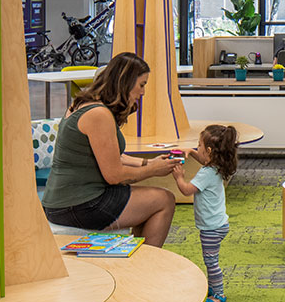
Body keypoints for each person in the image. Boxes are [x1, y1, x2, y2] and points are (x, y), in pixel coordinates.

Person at [41, 52, 181, 247]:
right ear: (125, 82)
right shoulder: (99, 114)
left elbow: (113, 155)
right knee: (164, 200)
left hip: (63, 201)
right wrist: (153, 170)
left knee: (149, 203)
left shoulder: (84, 104)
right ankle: (148, 267)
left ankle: (138, 261)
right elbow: (114, 175)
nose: (143, 92)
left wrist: (147, 162)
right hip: (77, 206)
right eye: (141, 85)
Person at [172, 125, 239, 302]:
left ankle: (218, 294)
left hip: (211, 228)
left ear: (208, 151)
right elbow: (204, 159)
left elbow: (186, 191)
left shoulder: (205, 174)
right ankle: (214, 287)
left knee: (211, 262)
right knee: (210, 259)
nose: (197, 148)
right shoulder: (215, 167)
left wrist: (179, 177)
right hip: (218, 224)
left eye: (198, 146)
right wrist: (191, 153)